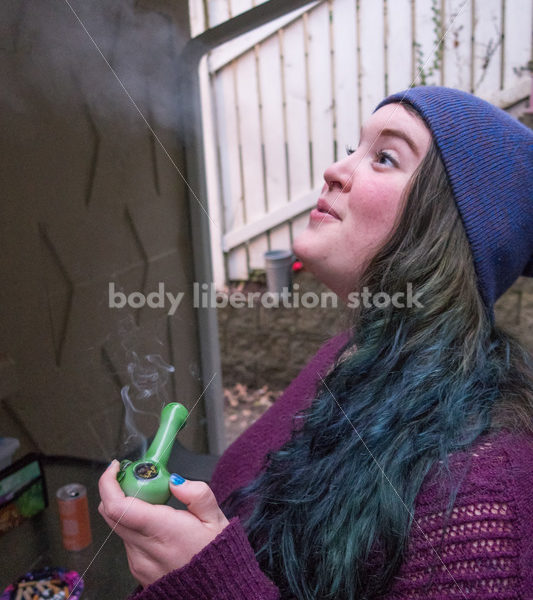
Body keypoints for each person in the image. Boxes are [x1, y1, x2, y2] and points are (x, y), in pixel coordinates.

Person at [99, 86, 533, 599]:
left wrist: (206, 581)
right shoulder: (345, 358)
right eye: (353, 147)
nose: (335, 168)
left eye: (385, 157)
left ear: (447, 232)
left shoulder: (484, 491)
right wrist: (182, 548)